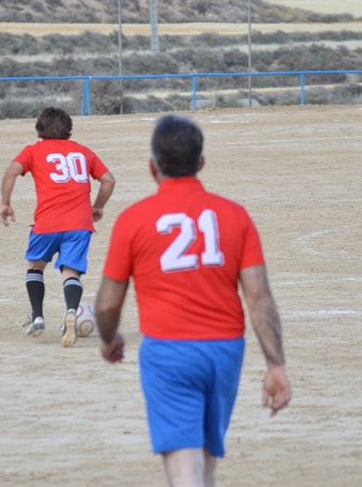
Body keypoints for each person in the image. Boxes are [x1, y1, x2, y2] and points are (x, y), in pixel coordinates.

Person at [95, 114, 291, 486]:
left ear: (153, 167)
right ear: (201, 164)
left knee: (185, 470)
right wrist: (276, 365)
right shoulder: (234, 216)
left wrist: (109, 340)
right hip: (224, 352)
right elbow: (259, 297)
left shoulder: (134, 220)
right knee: (205, 460)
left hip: (169, 352)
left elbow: (106, 305)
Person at [0, 107, 115, 347]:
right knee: (71, 272)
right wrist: (98, 206)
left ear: (39, 128)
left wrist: (5, 204)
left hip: (47, 223)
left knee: (36, 267)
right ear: (68, 129)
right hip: (80, 224)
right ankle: (71, 311)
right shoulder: (83, 152)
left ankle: (38, 316)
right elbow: (109, 180)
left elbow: (11, 172)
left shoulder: (34, 151)